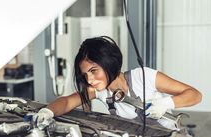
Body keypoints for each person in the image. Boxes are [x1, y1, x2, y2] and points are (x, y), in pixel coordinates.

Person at [34, 36, 202, 129]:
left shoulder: (144, 77)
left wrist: (165, 103)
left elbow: (195, 95)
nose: (89, 80)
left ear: (109, 63)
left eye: (93, 71)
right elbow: (66, 101)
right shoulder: (99, 91)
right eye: (85, 74)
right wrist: (47, 112)